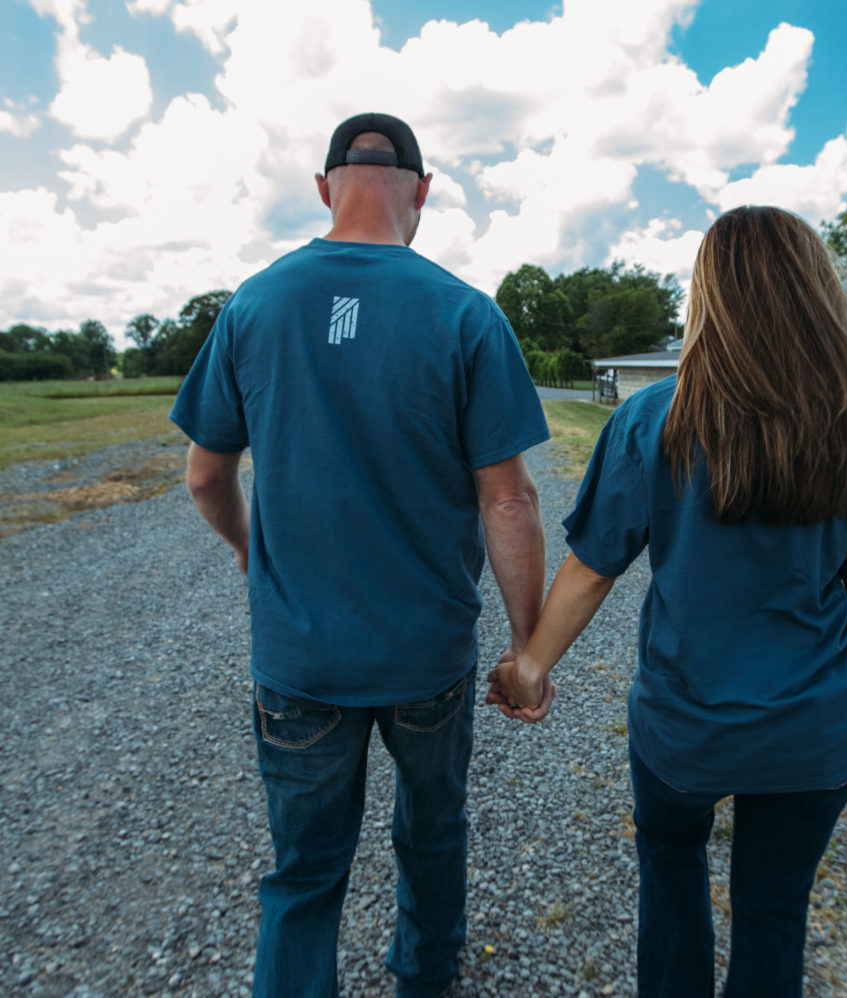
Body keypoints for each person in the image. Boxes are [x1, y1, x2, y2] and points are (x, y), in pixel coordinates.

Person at [488, 206, 847, 997]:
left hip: (684, 730)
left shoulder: (651, 419)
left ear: (708, 298)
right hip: (812, 732)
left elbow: (594, 570)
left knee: (670, 866)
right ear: (819, 293)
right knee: (772, 912)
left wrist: (529, 667)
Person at [170, 112, 550, 998]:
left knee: (303, 873)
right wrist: (526, 647)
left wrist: (246, 547)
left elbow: (203, 475)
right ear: (421, 193)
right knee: (431, 836)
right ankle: (422, 978)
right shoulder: (465, 313)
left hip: (299, 660)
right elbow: (509, 498)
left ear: (323, 189)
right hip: (427, 660)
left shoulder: (254, 304)